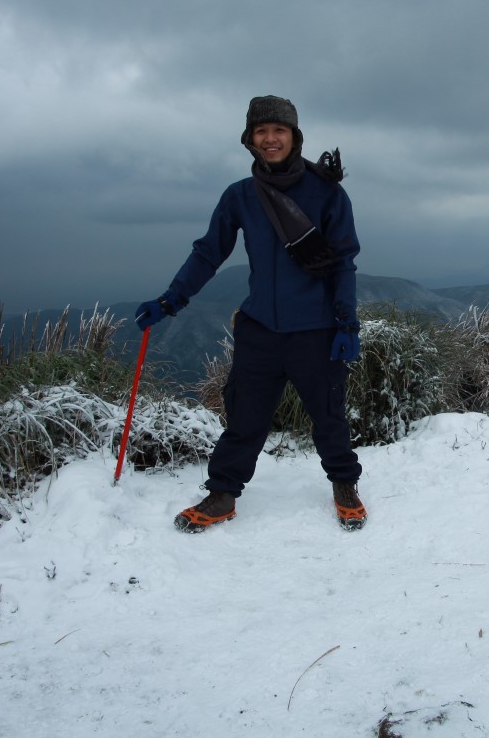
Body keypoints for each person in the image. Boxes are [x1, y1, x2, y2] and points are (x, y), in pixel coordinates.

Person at [134, 95, 367, 532]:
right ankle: (222, 493)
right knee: (244, 416)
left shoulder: (327, 193)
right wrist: (171, 300)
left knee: (328, 414)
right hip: (260, 327)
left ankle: (344, 485)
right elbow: (208, 254)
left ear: (294, 137)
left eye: (279, 130)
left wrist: (346, 322)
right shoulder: (240, 196)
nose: (270, 138)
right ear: (250, 140)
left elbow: (344, 262)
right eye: (261, 132)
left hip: (315, 329)